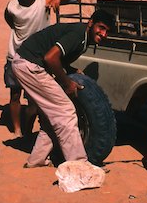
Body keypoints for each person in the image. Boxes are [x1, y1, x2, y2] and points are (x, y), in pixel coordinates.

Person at [11, 9, 115, 168]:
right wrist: (67, 82)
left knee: (52, 115)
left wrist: (70, 70)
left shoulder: (84, 37)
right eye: (101, 27)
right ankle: (78, 166)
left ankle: (37, 160)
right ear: (91, 22)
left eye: (107, 31)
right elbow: (50, 57)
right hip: (29, 65)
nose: (103, 34)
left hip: (26, 63)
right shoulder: (79, 35)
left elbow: (56, 58)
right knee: (66, 111)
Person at [4, 0, 76, 137]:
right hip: (14, 55)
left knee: (35, 100)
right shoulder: (11, 5)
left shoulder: (45, 1)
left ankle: (28, 129)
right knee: (15, 95)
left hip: (36, 58)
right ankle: (17, 130)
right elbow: (10, 21)